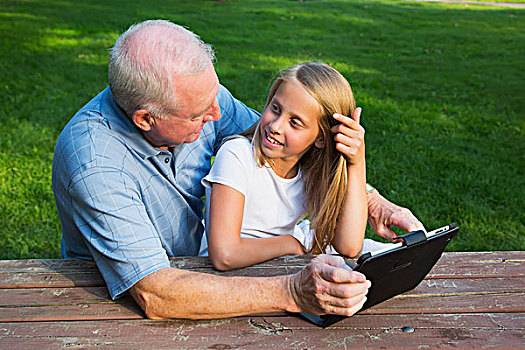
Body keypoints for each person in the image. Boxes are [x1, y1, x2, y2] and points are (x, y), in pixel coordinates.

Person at [52, 19, 424, 320]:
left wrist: (371, 198)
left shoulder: (197, 98)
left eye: (214, 98)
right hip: (116, 306)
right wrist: (292, 291)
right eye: (199, 115)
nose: (216, 116)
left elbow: (294, 153)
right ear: (146, 119)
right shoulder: (95, 163)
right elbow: (155, 293)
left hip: (201, 273)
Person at [201, 61, 387, 270]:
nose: (275, 126)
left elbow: (350, 246)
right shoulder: (237, 155)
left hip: (277, 266)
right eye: (275, 109)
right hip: (225, 276)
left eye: (295, 122)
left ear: (321, 139)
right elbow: (224, 255)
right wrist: (289, 244)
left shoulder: (310, 170)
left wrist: (356, 163)